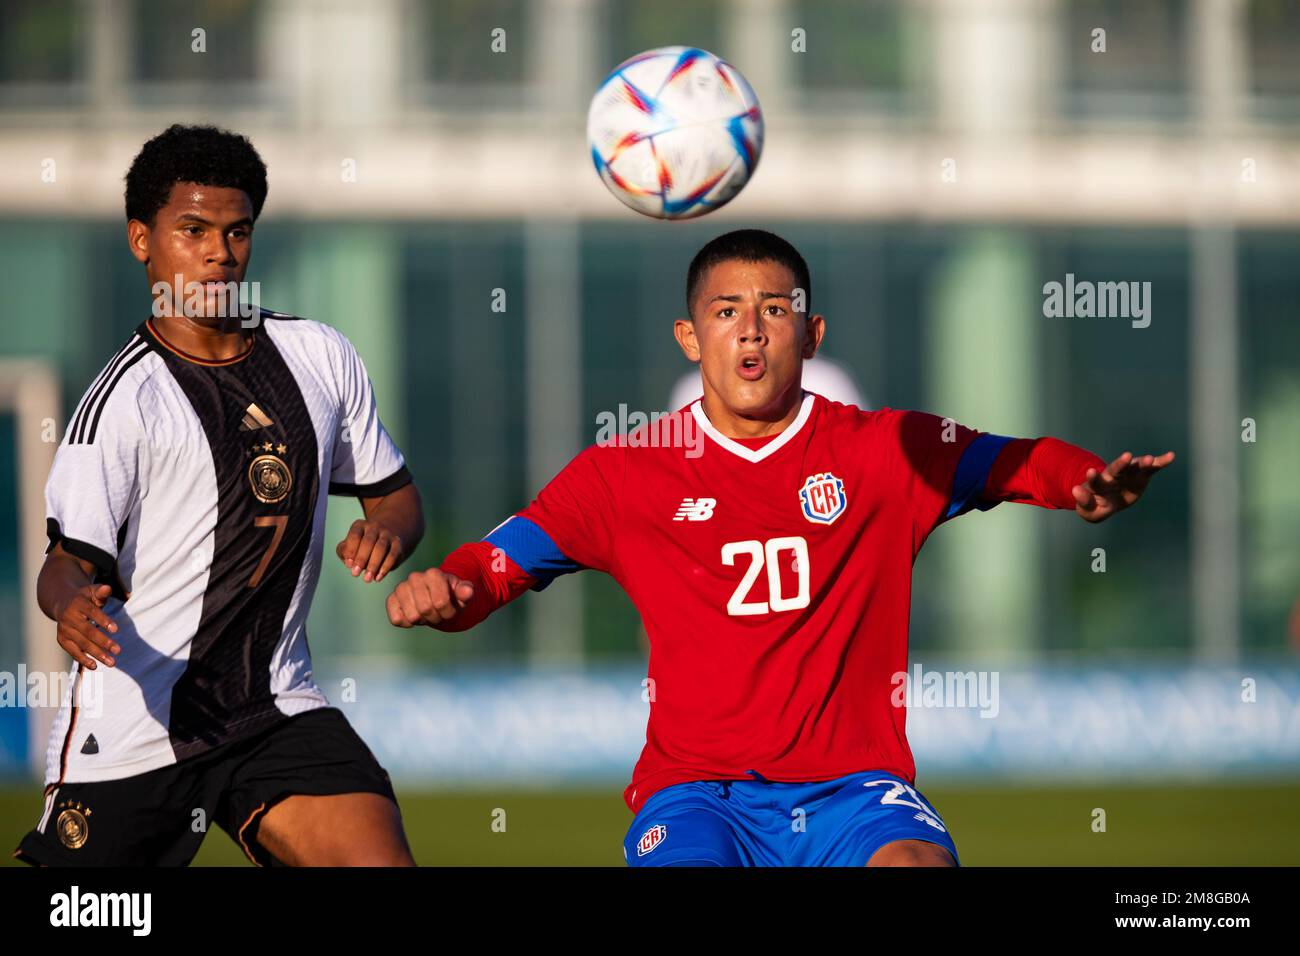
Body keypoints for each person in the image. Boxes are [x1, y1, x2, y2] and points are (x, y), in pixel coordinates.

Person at [385, 228, 1174, 867]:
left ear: (812, 331)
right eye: (727, 310)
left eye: (774, 308)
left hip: (855, 792)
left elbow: (1014, 459)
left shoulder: (885, 450)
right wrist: (447, 592)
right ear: (691, 338)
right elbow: (495, 566)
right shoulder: (623, 473)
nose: (752, 328)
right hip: (697, 794)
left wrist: (1082, 481)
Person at [14, 124, 423, 867]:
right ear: (143, 239)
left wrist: (388, 529)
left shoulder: (319, 356)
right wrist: (69, 605)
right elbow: (66, 561)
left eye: (237, 232)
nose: (218, 253)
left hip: (276, 710)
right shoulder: (121, 404)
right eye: (193, 230)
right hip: (138, 728)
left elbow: (394, 494)